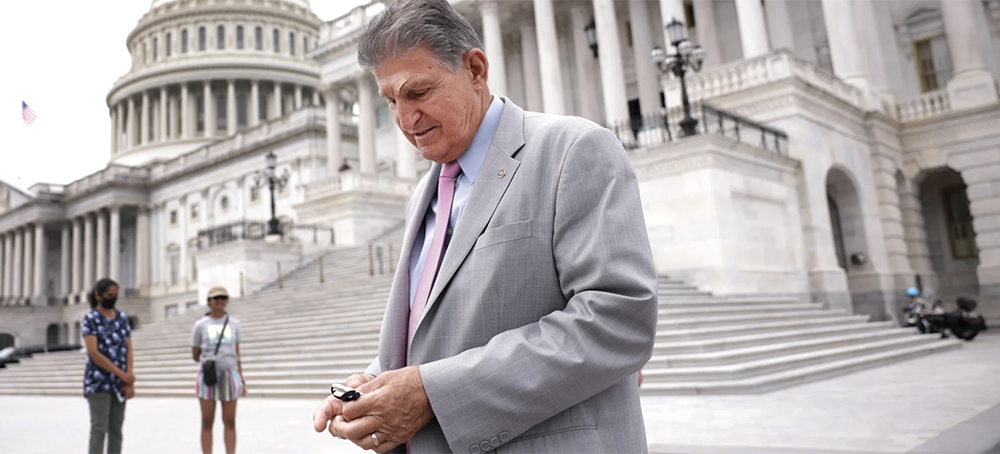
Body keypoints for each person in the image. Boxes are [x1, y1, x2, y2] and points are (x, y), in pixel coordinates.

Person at [311, 0, 658, 452]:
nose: (405, 119)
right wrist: (377, 383)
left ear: (476, 69)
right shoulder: (426, 191)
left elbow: (619, 317)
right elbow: (442, 330)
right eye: (391, 101)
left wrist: (431, 393)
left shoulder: (573, 150)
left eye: (418, 92)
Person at [82, 278, 134, 454]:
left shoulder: (122, 318)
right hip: (98, 382)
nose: (113, 298)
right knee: (98, 429)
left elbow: (128, 348)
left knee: (116, 430)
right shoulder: (91, 319)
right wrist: (121, 374)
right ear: (98, 296)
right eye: (109, 295)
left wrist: (129, 378)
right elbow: (94, 353)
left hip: (119, 383)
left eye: (115, 295)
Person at [191, 286, 245, 454]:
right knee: (207, 421)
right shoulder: (200, 325)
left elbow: (237, 353)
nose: (220, 301)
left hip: (230, 372)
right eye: (216, 298)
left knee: (230, 421)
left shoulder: (234, 324)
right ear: (209, 302)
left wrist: (241, 378)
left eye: (223, 297)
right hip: (209, 375)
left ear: (227, 301)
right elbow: (195, 353)